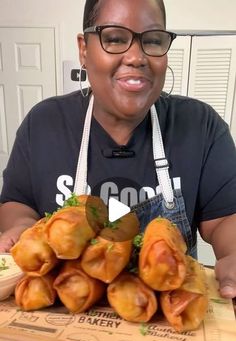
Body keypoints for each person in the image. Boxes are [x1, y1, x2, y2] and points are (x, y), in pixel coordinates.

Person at [0, 0, 236, 298]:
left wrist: (232, 253)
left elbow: (226, 218)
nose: (136, 57)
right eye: (114, 38)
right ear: (84, 49)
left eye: (152, 40)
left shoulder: (200, 126)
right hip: (64, 315)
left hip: (169, 322)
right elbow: (17, 202)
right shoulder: (44, 123)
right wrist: (22, 227)